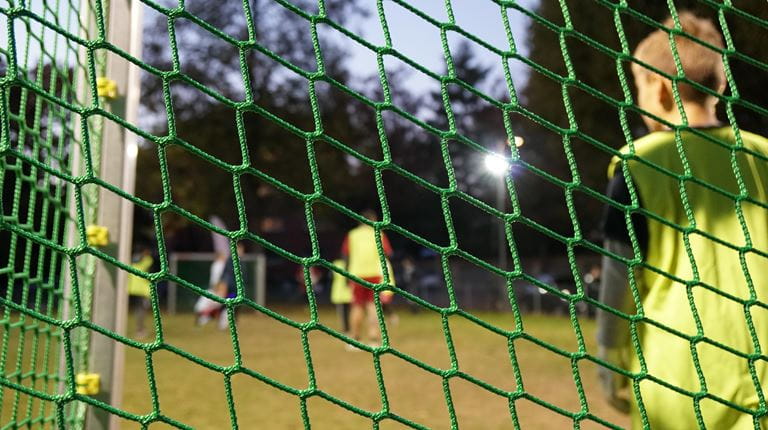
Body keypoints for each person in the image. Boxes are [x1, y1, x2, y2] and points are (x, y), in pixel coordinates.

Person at [596, 12, 768, 428]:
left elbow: (619, 273)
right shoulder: (762, 156)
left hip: (675, 380)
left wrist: (607, 352)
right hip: (761, 376)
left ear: (658, 88)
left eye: (638, 86)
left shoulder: (639, 163)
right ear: (719, 86)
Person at [341, 208, 395, 347]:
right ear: (373, 219)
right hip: (375, 274)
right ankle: (374, 339)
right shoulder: (379, 233)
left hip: (356, 274)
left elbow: (345, 256)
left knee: (357, 305)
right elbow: (387, 254)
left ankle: (354, 339)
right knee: (374, 307)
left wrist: (346, 275)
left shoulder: (352, 235)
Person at [214, 242, 246, 330]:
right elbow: (225, 273)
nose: (241, 251)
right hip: (230, 288)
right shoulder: (230, 261)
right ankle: (220, 321)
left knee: (238, 306)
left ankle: (234, 323)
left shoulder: (242, 262)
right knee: (227, 304)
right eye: (239, 250)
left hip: (238, 289)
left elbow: (244, 276)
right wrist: (222, 283)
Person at [127, 247, 154, 338]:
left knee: (137, 309)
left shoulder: (131, 266)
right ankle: (140, 330)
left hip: (132, 290)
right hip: (143, 291)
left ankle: (139, 329)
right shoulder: (144, 264)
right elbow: (149, 259)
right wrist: (145, 254)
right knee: (142, 310)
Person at [330, 259, 352, 334]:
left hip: (339, 291)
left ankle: (346, 329)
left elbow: (330, 277)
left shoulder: (335, 263)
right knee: (350, 311)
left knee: (342, 312)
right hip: (349, 291)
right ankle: (350, 328)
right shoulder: (350, 262)